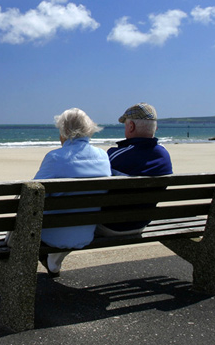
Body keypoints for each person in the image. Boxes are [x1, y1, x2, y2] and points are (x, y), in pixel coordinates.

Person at [33, 108, 111, 277]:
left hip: (52, 235)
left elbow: (32, 197)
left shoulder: (55, 158)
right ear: (89, 128)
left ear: (64, 130)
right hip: (85, 232)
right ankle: (53, 262)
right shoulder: (103, 156)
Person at [96, 102, 173, 236]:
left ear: (131, 126)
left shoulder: (117, 155)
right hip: (141, 224)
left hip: (109, 226)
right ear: (155, 127)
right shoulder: (164, 156)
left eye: (125, 125)